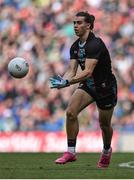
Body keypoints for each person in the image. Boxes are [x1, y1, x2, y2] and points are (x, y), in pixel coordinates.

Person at [49, 11, 117, 168]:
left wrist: (68, 82)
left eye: (79, 23)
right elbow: (71, 70)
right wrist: (63, 80)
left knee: (104, 125)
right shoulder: (74, 46)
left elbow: (87, 71)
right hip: (88, 85)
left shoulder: (96, 44)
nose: (75, 26)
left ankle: (106, 150)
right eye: (74, 23)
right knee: (70, 112)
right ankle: (71, 152)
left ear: (88, 25)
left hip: (105, 88)